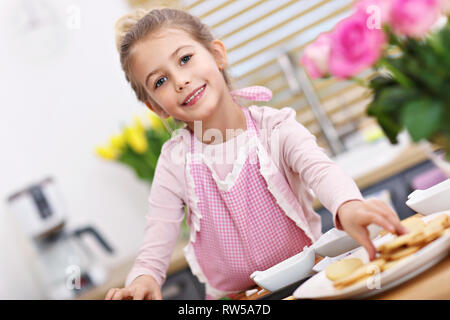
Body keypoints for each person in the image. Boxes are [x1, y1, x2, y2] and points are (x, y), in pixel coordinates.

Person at [105, 7, 407, 300]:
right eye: (160, 81)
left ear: (217, 54)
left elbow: (321, 171)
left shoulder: (275, 128)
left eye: (185, 59)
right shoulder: (174, 163)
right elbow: (157, 234)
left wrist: (348, 205)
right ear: (156, 107)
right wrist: (143, 277)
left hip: (311, 282)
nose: (180, 81)